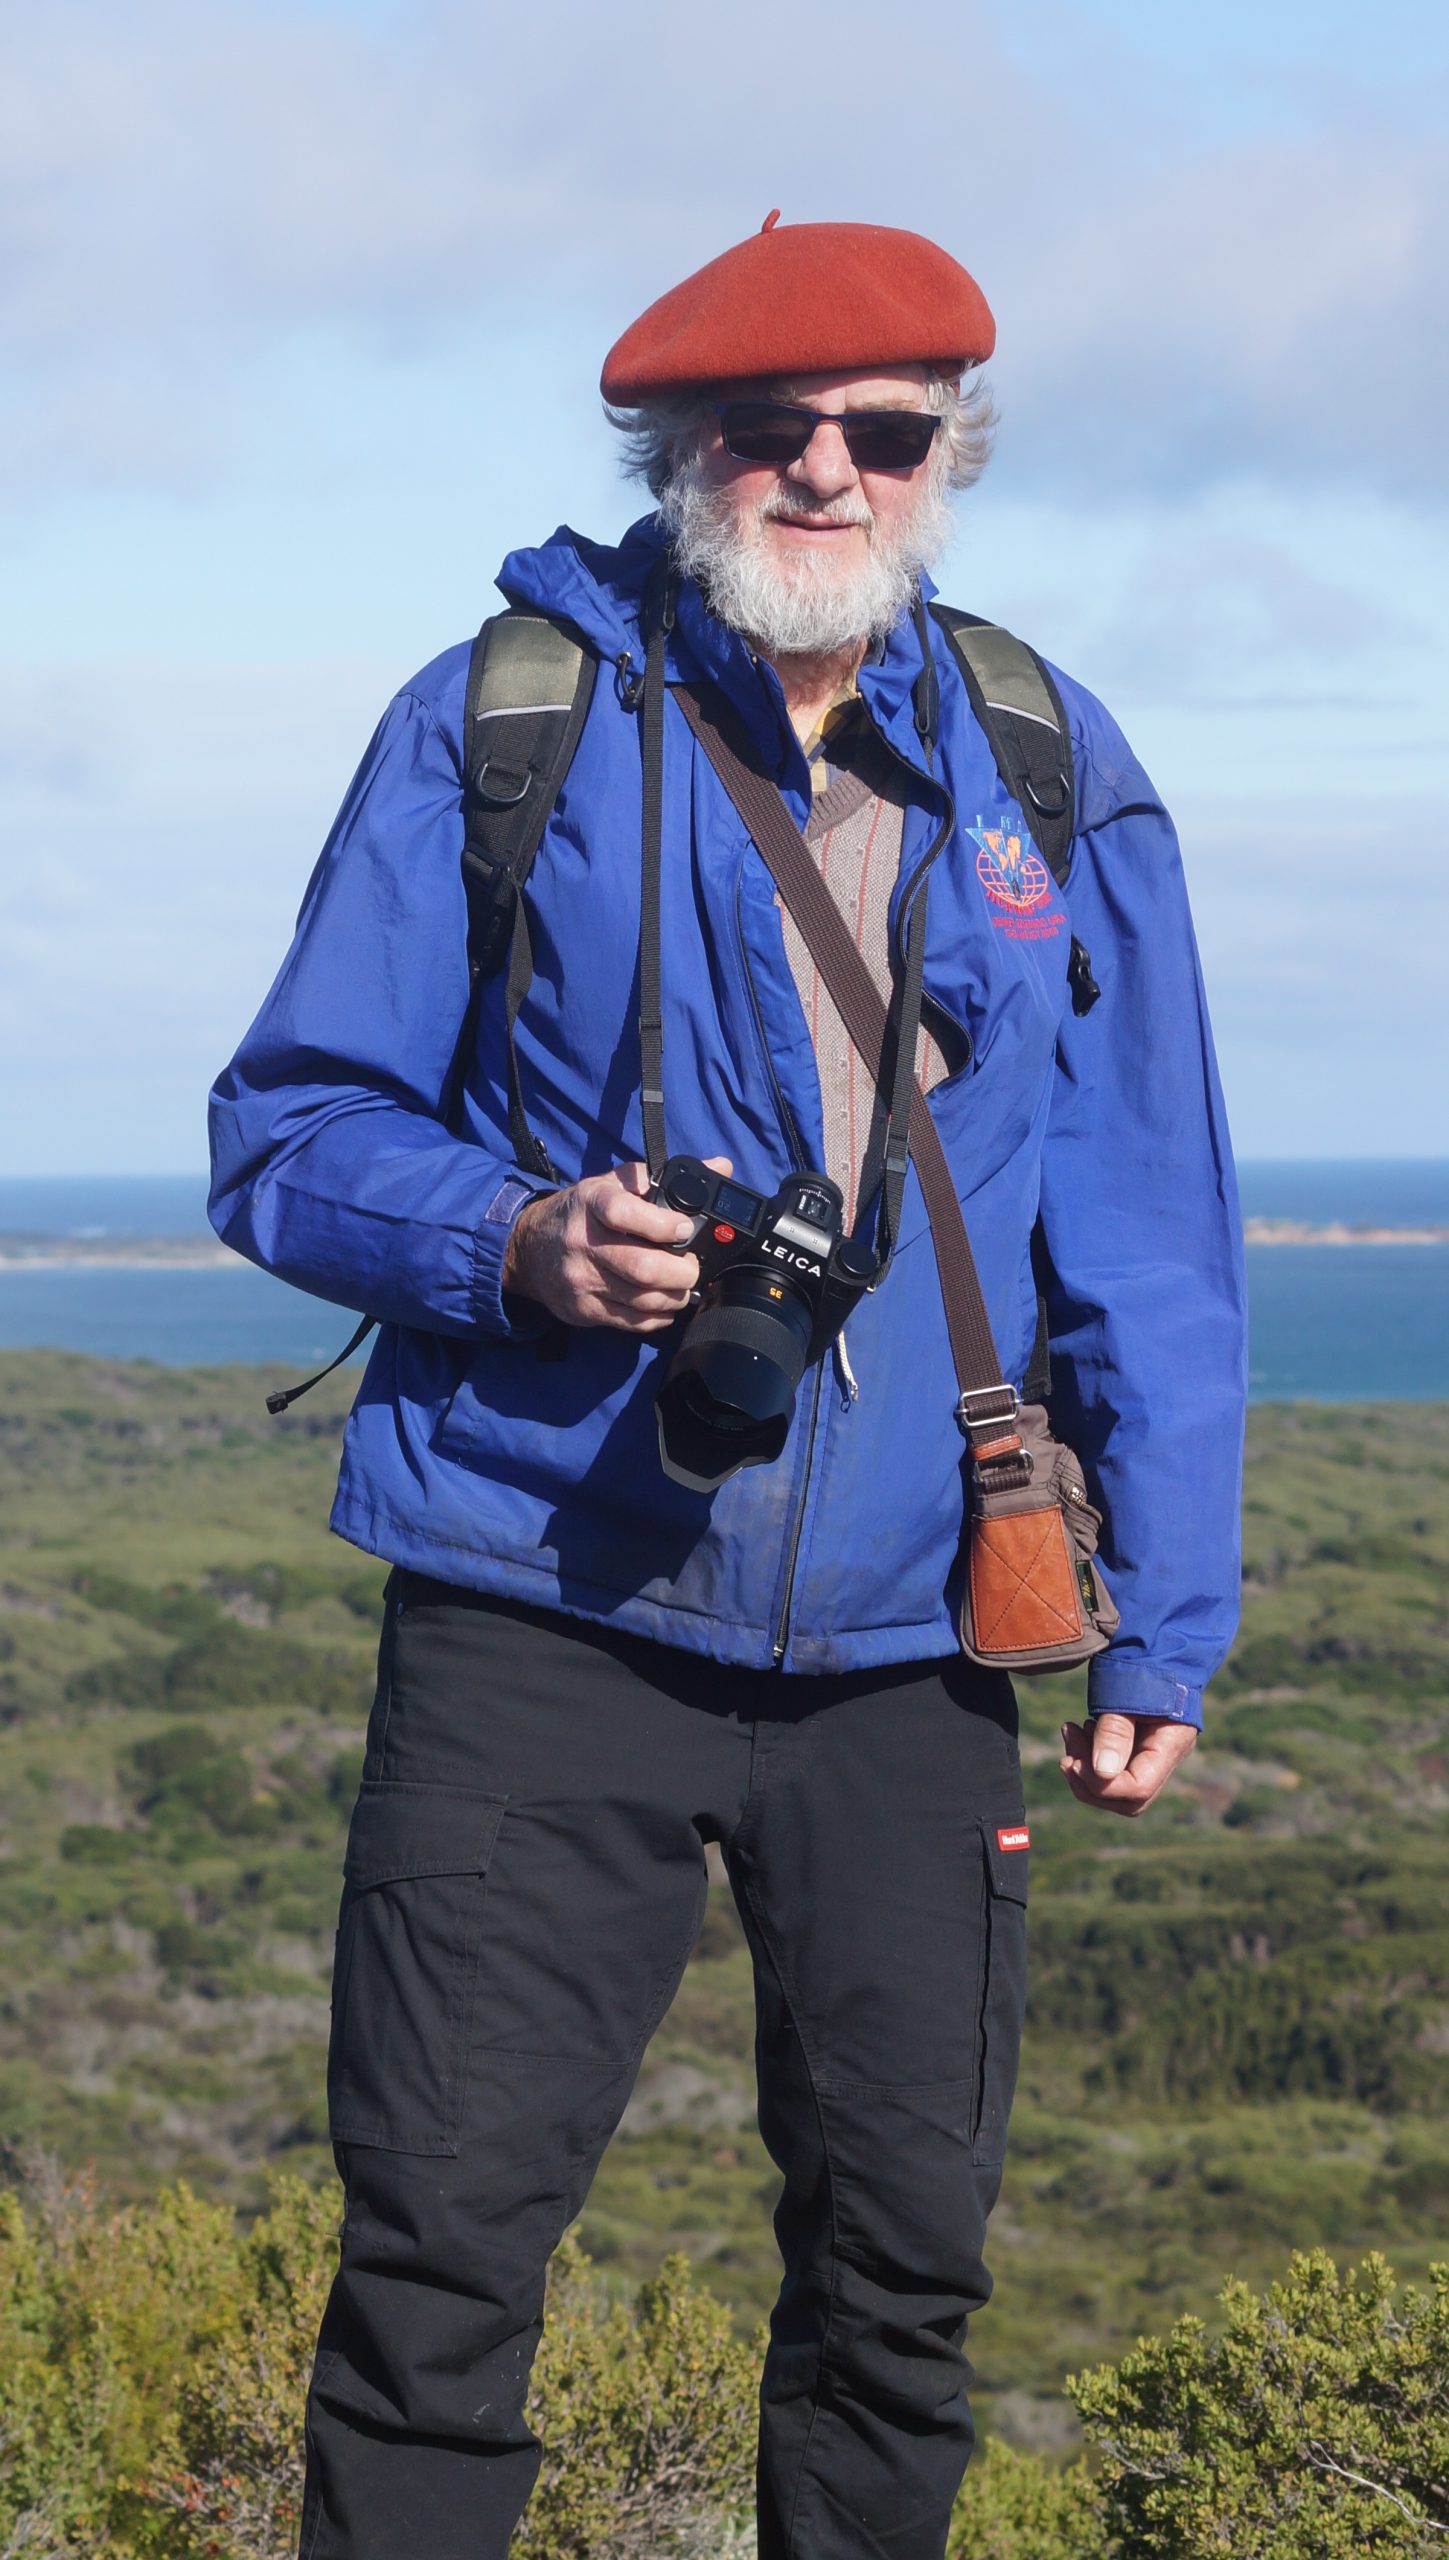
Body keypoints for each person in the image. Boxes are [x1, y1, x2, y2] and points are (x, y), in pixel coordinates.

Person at [208, 214, 1246, 2560]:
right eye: (764, 427)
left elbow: (1147, 1223)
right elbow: (284, 1127)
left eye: (882, 430)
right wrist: (513, 1238)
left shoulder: (1042, 758)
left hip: (914, 1633)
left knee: (899, 2283)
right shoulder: (503, 719)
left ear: (946, 454)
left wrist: (1161, 1619)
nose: (824, 468)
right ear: (674, 451)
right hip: (535, 1599)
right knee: (438, 2270)